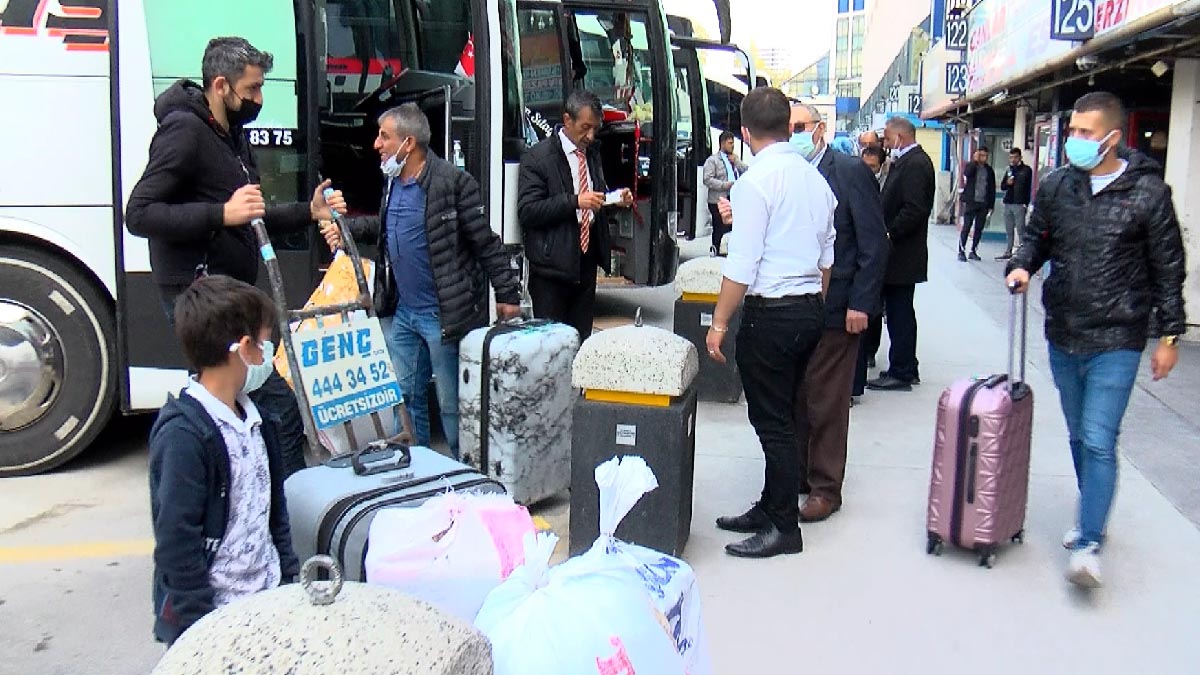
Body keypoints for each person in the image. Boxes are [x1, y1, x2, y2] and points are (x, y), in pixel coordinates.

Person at [126, 37, 346, 477]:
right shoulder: (185, 131)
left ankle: (251, 492)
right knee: (275, 407)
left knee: (247, 405)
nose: (258, 100)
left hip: (231, 293)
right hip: (202, 295)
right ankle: (282, 498)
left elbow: (252, 216)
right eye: (252, 90)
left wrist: (309, 211)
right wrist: (220, 213)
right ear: (221, 85)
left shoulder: (230, 135)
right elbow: (140, 212)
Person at [1005, 92, 1186, 588]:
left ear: (1112, 136)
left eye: (1085, 133)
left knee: (1100, 439)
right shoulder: (1059, 185)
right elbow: (1036, 237)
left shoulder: (1148, 193)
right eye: (1073, 131)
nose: (1075, 141)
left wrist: (1170, 334)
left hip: (1118, 338)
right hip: (1064, 332)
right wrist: (1021, 265)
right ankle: (1092, 515)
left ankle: (1088, 544)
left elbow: (1169, 268)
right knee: (1079, 436)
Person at [326, 104, 521, 459]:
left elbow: (485, 242)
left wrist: (507, 293)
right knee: (407, 395)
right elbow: (383, 228)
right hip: (404, 314)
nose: (376, 144)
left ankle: (466, 471)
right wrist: (345, 229)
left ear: (408, 142)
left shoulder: (453, 183)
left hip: (443, 318)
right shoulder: (391, 182)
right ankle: (418, 466)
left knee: (451, 404)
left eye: (384, 136)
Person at [705, 88, 835, 559]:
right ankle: (772, 504)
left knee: (772, 422)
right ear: (789, 127)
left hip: (772, 312)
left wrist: (719, 323)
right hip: (807, 309)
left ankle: (783, 527)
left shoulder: (754, 182)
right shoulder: (815, 179)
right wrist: (811, 305)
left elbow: (742, 263)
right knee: (784, 415)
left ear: (744, 133)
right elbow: (827, 256)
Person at [149, 275, 300, 646]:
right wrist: (199, 627)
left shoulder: (259, 421)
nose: (266, 356)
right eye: (264, 344)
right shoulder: (185, 436)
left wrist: (288, 577)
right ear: (244, 348)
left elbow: (272, 509)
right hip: (214, 622)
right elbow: (176, 541)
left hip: (266, 603)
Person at [788, 104, 888, 523]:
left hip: (839, 306)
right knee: (796, 398)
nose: (792, 133)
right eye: (786, 127)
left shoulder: (848, 172)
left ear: (820, 130)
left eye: (799, 127)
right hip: (794, 306)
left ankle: (826, 487)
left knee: (827, 400)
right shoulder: (786, 174)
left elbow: (873, 242)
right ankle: (800, 475)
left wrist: (861, 304)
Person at [517, 89, 634, 340]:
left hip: (585, 262)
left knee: (580, 341)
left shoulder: (592, 154)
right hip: (551, 269)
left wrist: (613, 200)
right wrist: (574, 202)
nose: (590, 136)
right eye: (585, 127)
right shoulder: (538, 158)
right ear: (567, 120)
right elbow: (528, 211)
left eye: (595, 129)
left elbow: (594, 195)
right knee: (551, 346)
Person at [865, 116, 935, 393]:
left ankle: (902, 371)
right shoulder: (904, 161)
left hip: (902, 255)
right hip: (898, 254)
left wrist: (888, 233)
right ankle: (905, 366)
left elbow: (915, 209)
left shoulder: (916, 163)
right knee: (898, 312)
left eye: (887, 136)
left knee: (899, 314)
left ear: (899, 137)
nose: (884, 142)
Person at [703, 130, 749, 256]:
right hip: (717, 199)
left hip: (733, 197)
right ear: (722, 144)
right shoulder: (713, 161)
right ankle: (715, 248)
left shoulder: (734, 159)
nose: (732, 146)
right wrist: (724, 185)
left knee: (733, 225)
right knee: (719, 226)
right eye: (729, 143)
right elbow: (707, 179)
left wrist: (737, 162)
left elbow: (748, 172)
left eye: (733, 143)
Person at [958, 146, 996, 261]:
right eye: (981, 155)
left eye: (985, 156)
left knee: (979, 228)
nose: (983, 158)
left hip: (983, 203)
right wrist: (974, 161)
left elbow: (992, 188)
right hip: (971, 201)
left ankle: (973, 250)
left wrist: (991, 205)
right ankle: (961, 250)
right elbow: (967, 173)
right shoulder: (972, 166)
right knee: (967, 226)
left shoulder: (989, 170)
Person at [998, 147, 1033, 260]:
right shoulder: (1009, 170)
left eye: (1015, 157)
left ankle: (1022, 252)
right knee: (1009, 229)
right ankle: (1008, 250)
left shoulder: (1026, 170)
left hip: (1019, 203)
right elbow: (1003, 186)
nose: (1013, 159)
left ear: (1020, 157)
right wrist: (1008, 183)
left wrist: (1026, 203)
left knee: (1021, 229)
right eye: (1011, 157)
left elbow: (1029, 187)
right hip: (1008, 202)